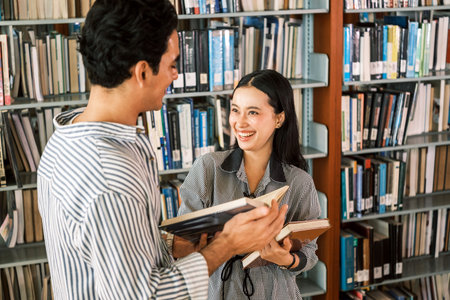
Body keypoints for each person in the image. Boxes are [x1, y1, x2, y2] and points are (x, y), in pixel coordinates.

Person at [37, 1, 288, 299]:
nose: (175, 75)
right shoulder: (110, 178)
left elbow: (108, 249)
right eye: (171, 64)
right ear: (143, 72)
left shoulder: (67, 134)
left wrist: (170, 247)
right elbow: (146, 295)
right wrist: (227, 245)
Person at [176, 69, 321, 299]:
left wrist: (286, 259)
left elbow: (309, 252)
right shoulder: (207, 168)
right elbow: (182, 244)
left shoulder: (300, 182)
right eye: (235, 110)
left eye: (252, 112)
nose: (239, 122)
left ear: (279, 118)